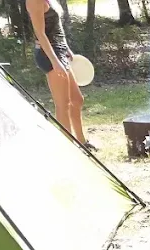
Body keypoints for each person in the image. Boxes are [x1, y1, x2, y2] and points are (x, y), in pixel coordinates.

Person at [26, 0, 88, 147]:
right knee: (63, 105)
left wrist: (66, 48)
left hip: (59, 51)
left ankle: (82, 142)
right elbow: (40, 34)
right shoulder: (34, 1)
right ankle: (69, 147)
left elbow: (56, 27)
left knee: (77, 100)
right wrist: (55, 61)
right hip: (48, 54)